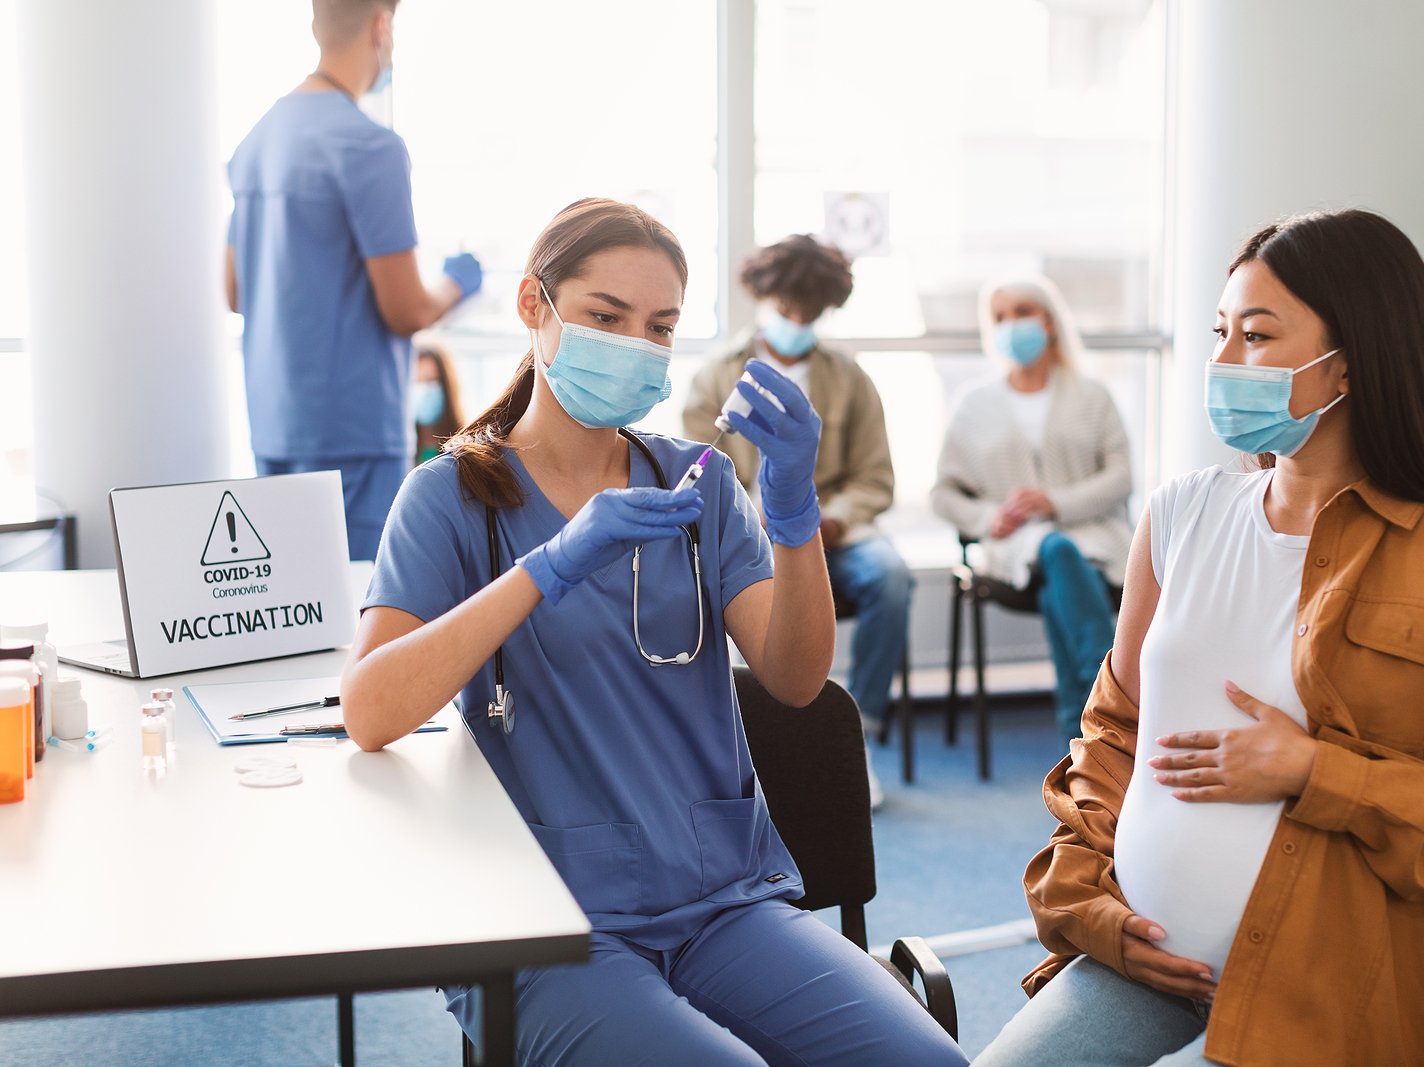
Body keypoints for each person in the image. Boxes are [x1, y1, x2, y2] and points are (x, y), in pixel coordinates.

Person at [341, 199, 967, 1067]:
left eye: (660, 327)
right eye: (605, 317)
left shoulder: (698, 485)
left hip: (722, 897)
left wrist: (790, 514)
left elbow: (794, 679)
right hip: (547, 920)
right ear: (534, 305)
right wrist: (547, 567)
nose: (635, 345)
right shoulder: (451, 500)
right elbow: (371, 711)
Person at [972, 210, 1424, 1067]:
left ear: (1350, 360)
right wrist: (1095, 911)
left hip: (1334, 984)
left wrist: (1313, 770)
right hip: (1144, 956)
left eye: (1256, 334)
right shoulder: (1181, 515)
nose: (1222, 361)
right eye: (1220, 332)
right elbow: (1113, 736)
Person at [225, 0, 482, 560]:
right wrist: (460, 282)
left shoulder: (256, 141)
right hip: (353, 433)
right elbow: (406, 310)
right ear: (381, 26)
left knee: (291, 601)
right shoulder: (370, 146)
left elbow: (234, 291)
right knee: (362, 611)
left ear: (316, 25)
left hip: (274, 422)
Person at [683, 236, 909, 754]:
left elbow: (875, 479)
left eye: (809, 312)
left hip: (837, 533)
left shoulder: (852, 380)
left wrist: (829, 521)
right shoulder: (716, 375)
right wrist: (751, 517)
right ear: (764, 296)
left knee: (891, 579)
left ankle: (861, 733)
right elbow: (700, 466)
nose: (796, 319)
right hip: (746, 530)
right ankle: (740, 737)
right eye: (786, 307)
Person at [933, 275, 1132, 745]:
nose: (1011, 325)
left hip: (1092, 535)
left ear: (1049, 320)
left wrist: (1057, 502)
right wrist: (987, 519)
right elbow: (942, 494)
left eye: (1022, 311)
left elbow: (1122, 477)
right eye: (999, 317)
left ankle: (1080, 729)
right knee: (1055, 549)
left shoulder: (1093, 396)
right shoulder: (973, 405)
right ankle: (1111, 702)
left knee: (1057, 576)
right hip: (1013, 543)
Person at [412, 342, 465, 464]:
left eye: (431, 380)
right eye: (415, 382)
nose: (423, 389)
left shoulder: (466, 449)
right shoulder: (399, 452)